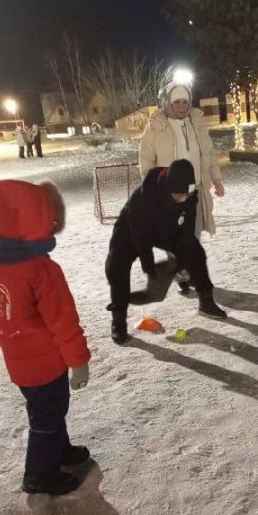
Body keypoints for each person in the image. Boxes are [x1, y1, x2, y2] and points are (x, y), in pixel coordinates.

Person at [0, 179, 91, 495]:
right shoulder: (42, 270)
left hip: (18, 361)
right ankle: (40, 475)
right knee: (47, 416)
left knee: (47, 410)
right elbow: (64, 321)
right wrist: (79, 361)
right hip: (46, 364)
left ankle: (59, 449)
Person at [106, 159, 227, 344]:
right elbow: (140, 233)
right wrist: (149, 267)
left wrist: (181, 258)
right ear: (167, 188)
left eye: (186, 194)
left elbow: (186, 231)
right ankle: (118, 322)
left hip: (165, 228)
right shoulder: (146, 195)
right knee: (116, 265)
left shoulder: (190, 193)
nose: (182, 199)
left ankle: (206, 302)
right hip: (131, 229)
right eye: (178, 195)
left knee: (195, 252)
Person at [139, 80, 225, 296]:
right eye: (176, 101)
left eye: (185, 101)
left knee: (193, 237)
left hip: (195, 190)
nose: (181, 106)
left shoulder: (197, 122)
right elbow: (146, 159)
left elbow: (208, 153)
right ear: (168, 102)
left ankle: (189, 273)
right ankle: (181, 275)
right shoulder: (156, 126)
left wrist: (216, 179)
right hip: (169, 194)